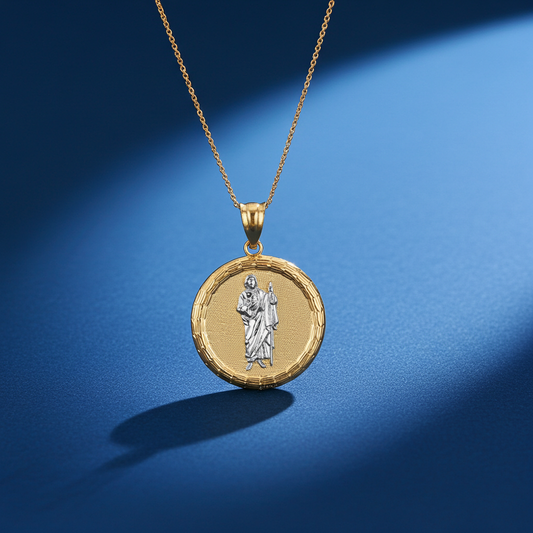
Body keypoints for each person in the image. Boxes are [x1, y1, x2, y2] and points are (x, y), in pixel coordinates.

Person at [236, 274, 278, 370]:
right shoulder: (243, 294)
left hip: (261, 318)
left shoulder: (260, 293)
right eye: (249, 280)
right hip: (250, 319)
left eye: (253, 280)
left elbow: (268, 300)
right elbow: (239, 307)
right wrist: (244, 308)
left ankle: (259, 359)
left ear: (255, 282)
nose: (251, 282)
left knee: (261, 338)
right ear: (246, 282)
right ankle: (250, 360)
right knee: (250, 339)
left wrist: (271, 293)